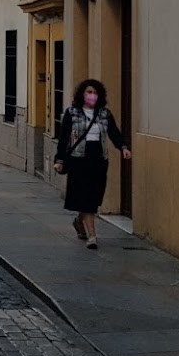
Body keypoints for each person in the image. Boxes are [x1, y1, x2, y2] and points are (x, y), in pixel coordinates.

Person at [53, 79, 131, 250]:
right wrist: (59, 160)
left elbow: (114, 133)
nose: (91, 95)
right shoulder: (72, 113)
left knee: (93, 197)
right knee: (85, 196)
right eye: (88, 92)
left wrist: (123, 147)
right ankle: (92, 236)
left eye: (94, 93)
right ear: (82, 94)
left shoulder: (104, 114)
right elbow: (64, 138)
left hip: (99, 159)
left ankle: (79, 221)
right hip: (78, 158)